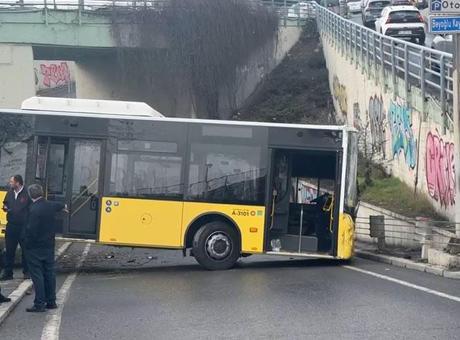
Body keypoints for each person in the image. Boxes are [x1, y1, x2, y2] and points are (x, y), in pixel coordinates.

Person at [24, 184, 66, 313]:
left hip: (35, 248)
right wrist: (64, 207)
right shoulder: (49, 206)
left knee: (37, 275)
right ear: (42, 193)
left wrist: (26, 244)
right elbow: (59, 205)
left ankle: (39, 303)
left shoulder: (34, 209)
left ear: (31, 195)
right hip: (49, 246)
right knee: (49, 273)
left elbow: (31, 230)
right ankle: (51, 301)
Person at [1, 175, 30, 281]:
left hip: (24, 226)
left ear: (18, 183)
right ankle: (8, 273)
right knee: (9, 250)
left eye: (11, 182)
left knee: (25, 250)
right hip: (11, 225)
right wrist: (5, 208)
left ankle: (27, 272)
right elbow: (5, 204)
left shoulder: (27, 194)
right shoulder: (9, 193)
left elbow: (31, 209)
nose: (10, 183)